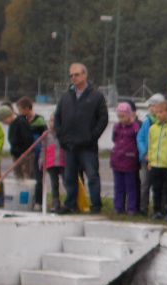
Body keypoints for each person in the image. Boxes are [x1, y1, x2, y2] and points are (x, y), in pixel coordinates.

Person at [54, 63, 108, 214]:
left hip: (87, 147)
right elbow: (57, 117)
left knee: (92, 177)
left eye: (76, 74)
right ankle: (70, 204)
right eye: (71, 75)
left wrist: (92, 137)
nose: (73, 78)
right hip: (69, 145)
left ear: (85, 75)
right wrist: (61, 135)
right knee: (70, 177)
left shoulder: (96, 96)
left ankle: (96, 206)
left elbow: (103, 119)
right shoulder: (66, 96)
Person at [146, 100, 167, 221]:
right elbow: (151, 146)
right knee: (156, 189)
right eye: (156, 112)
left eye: (161, 112)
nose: (158, 115)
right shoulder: (152, 129)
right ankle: (156, 211)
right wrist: (150, 161)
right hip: (155, 165)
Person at [111, 102, 141, 215]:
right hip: (117, 160)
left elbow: (138, 142)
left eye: (123, 116)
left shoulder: (135, 128)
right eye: (119, 116)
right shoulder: (116, 127)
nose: (121, 119)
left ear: (129, 115)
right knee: (118, 186)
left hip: (130, 161)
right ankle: (118, 207)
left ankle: (131, 208)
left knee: (131, 187)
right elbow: (114, 140)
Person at [41, 115, 65, 212]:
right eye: (51, 120)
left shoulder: (63, 133)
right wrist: (42, 161)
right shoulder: (46, 135)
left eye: (54, 121)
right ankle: (56, 203)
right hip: (51, 163)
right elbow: (43, 149)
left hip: (62, 162)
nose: (52, 123)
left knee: (66, 182)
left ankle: (71, 203)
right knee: (54, 184)